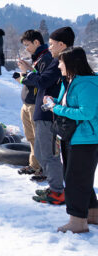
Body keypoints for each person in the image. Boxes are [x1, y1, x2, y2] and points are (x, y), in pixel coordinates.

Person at [41, 47, 98, 233]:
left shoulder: (86, 84)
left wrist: (56, 109)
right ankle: (92, 214)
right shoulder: (70, 81)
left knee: (75, 181)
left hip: (86, 139)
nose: (58, 65)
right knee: (79, 178)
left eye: (61, 62)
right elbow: (64, 105)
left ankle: (77, 222)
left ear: (72, 64)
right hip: (72, 137)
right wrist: (53, 103)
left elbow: (87, 112)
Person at [19, 26, 72, 200]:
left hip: (49, 113)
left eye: (51, 44)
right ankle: (55, 187)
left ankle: (57, 191)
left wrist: (26, 74)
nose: (49, 47)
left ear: (62, 44)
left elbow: (42, 81)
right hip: (45, 111)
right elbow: (43, 78)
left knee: (48, 154)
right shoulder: (57, 61)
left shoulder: (58, 62)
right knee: (43, 153)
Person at [13, 30, 45, 175]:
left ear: (36, 42)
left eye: (27, 45)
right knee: (31, 137)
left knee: (40, 138)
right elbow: (33, 77)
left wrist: (26, 72)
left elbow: (40, 81)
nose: (26, 48)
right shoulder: (37, 58)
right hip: (27, 103)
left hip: (35, 104)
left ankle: (43, 168)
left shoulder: (46, 58)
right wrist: (26, 70)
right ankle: (34, 165)